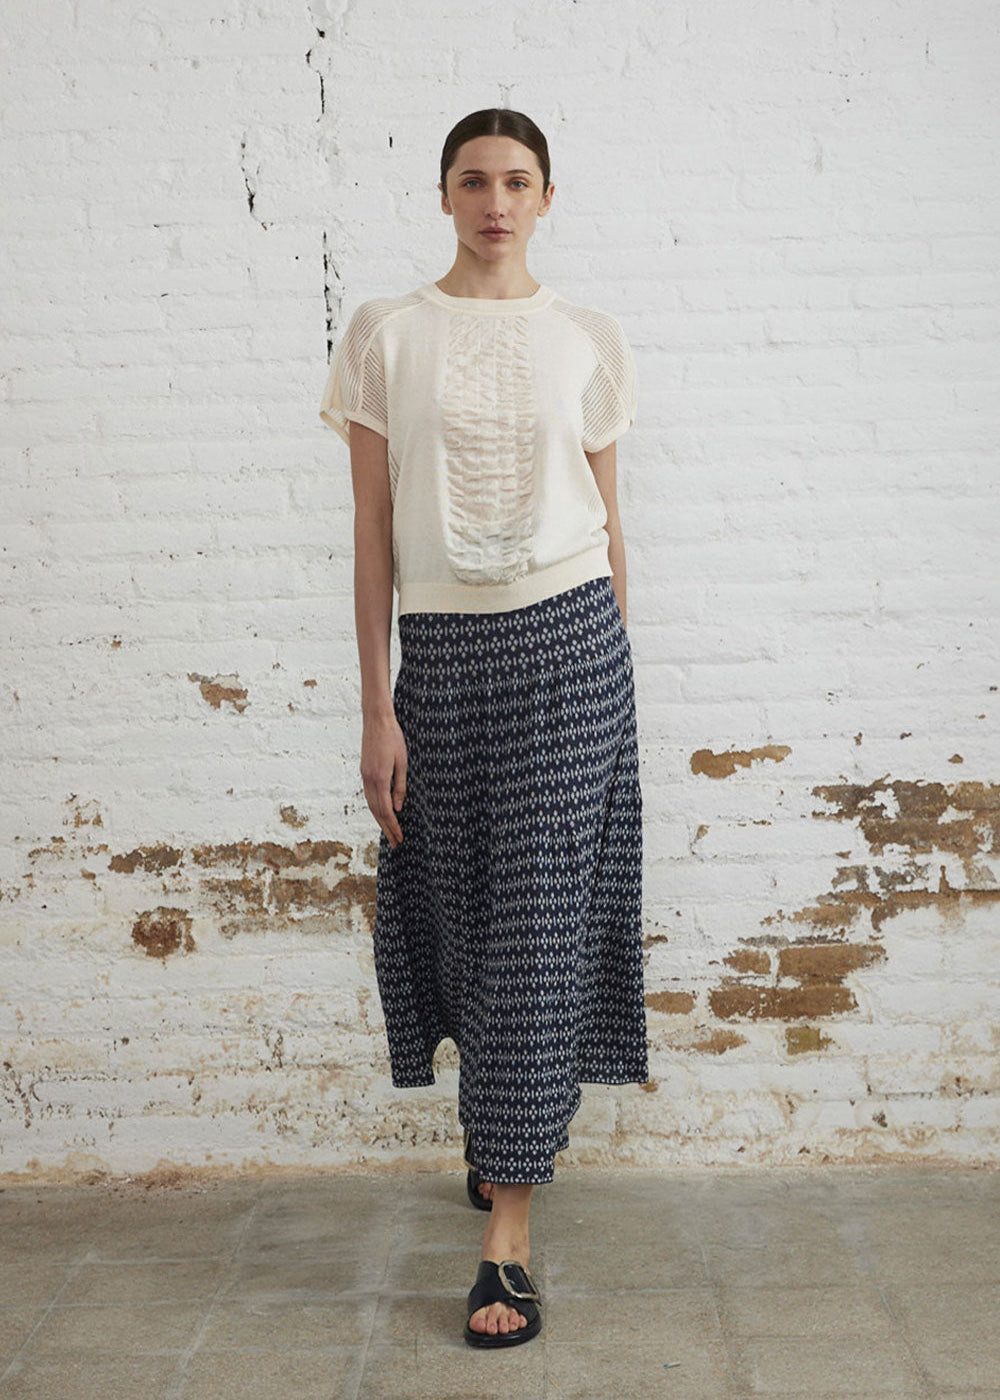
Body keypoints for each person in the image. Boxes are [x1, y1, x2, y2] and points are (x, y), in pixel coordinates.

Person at [318, 107, 648, 1349]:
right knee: (452, 904)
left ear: (548, 197)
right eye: (473, 181)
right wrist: (375, 701)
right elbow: (370, 535)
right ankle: (499, 1127)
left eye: (517, 182)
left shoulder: (588, 339)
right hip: (444, 658)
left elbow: (612, 527)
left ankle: (505, 1234)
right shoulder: (386, 338)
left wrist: (622, 680)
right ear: (443, 195)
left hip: (572, 649)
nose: (495, 202)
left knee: (534, 930)